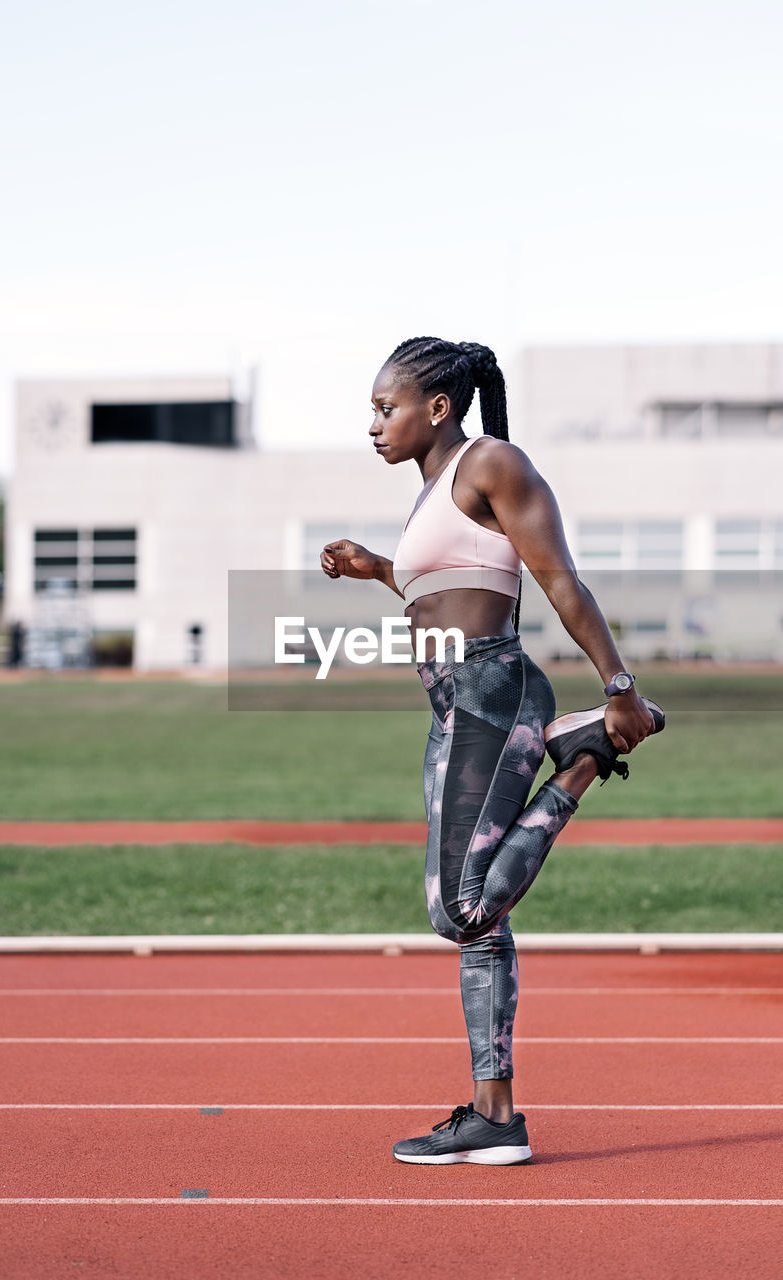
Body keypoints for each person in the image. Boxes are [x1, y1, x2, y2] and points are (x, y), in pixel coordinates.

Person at [320, 336, 664, 1167]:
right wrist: (378, 570)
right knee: (478, 924)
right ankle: (494, 1117)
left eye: (383, 407)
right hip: (456, 706)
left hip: (490, 692)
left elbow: (560, 579)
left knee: (462, 908)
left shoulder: (493, 463)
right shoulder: (434, 490)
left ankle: (580, 758)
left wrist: (618, 686)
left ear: (436, 407)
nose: (373, 424)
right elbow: (452, 585)